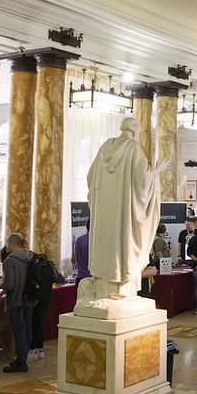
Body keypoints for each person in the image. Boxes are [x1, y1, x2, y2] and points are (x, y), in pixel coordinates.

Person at [85, 117, 164, 302]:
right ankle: (122, 285)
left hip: (104, 213)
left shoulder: (105, 147)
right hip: (123, 216)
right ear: (135, 130)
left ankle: (106, 285)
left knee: (107, 245)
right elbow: (142, 181)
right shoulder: (133, 148)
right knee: (123, 245)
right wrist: (156, 171)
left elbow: (91, 177)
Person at [2, 233, 35, 373]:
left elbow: (9, 285)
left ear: (13, 244)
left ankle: (21, 362)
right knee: (27, 328)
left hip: (16, 300)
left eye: (7, 242)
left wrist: (0, 285)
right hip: (29, 298)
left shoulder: (10, 261)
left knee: (19, 330)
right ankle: (23, 357)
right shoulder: (31, 256)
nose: (6, 245)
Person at [73, 219, 90, 289]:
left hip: (79, 279)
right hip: (90, 280)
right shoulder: (93, 242)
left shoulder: (77, 240)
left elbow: (73, 259)